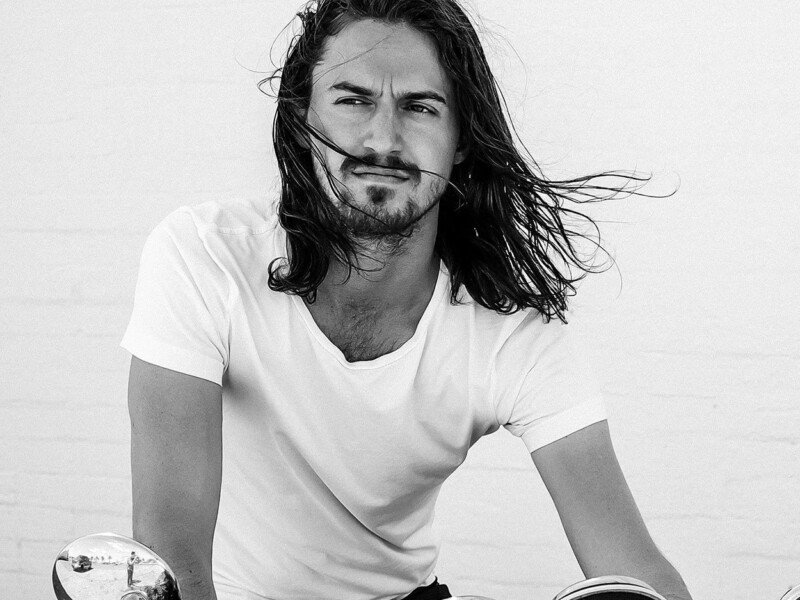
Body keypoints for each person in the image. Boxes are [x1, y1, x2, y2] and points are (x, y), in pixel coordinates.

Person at [121, 1, 693, 599]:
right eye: (353, 100)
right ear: (301, 118)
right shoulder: (205, 257)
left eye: (420, 107)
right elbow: (173, 555)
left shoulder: (511, 332)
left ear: (461, 139)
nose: (384, 139)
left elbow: (635, 571)